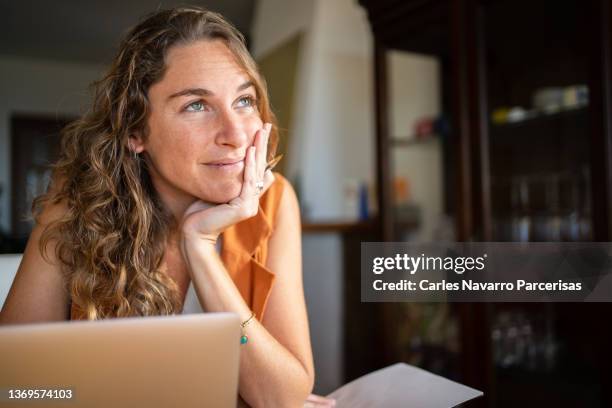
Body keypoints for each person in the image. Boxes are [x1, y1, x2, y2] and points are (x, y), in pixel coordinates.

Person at [0, 7, 335, 408]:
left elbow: (282, 397)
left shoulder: (274, 201)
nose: (236, 135)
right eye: (196, 105)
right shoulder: (75, 206)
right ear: (136, 130)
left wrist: (200, 247)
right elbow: (13, 386)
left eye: (244, 100)